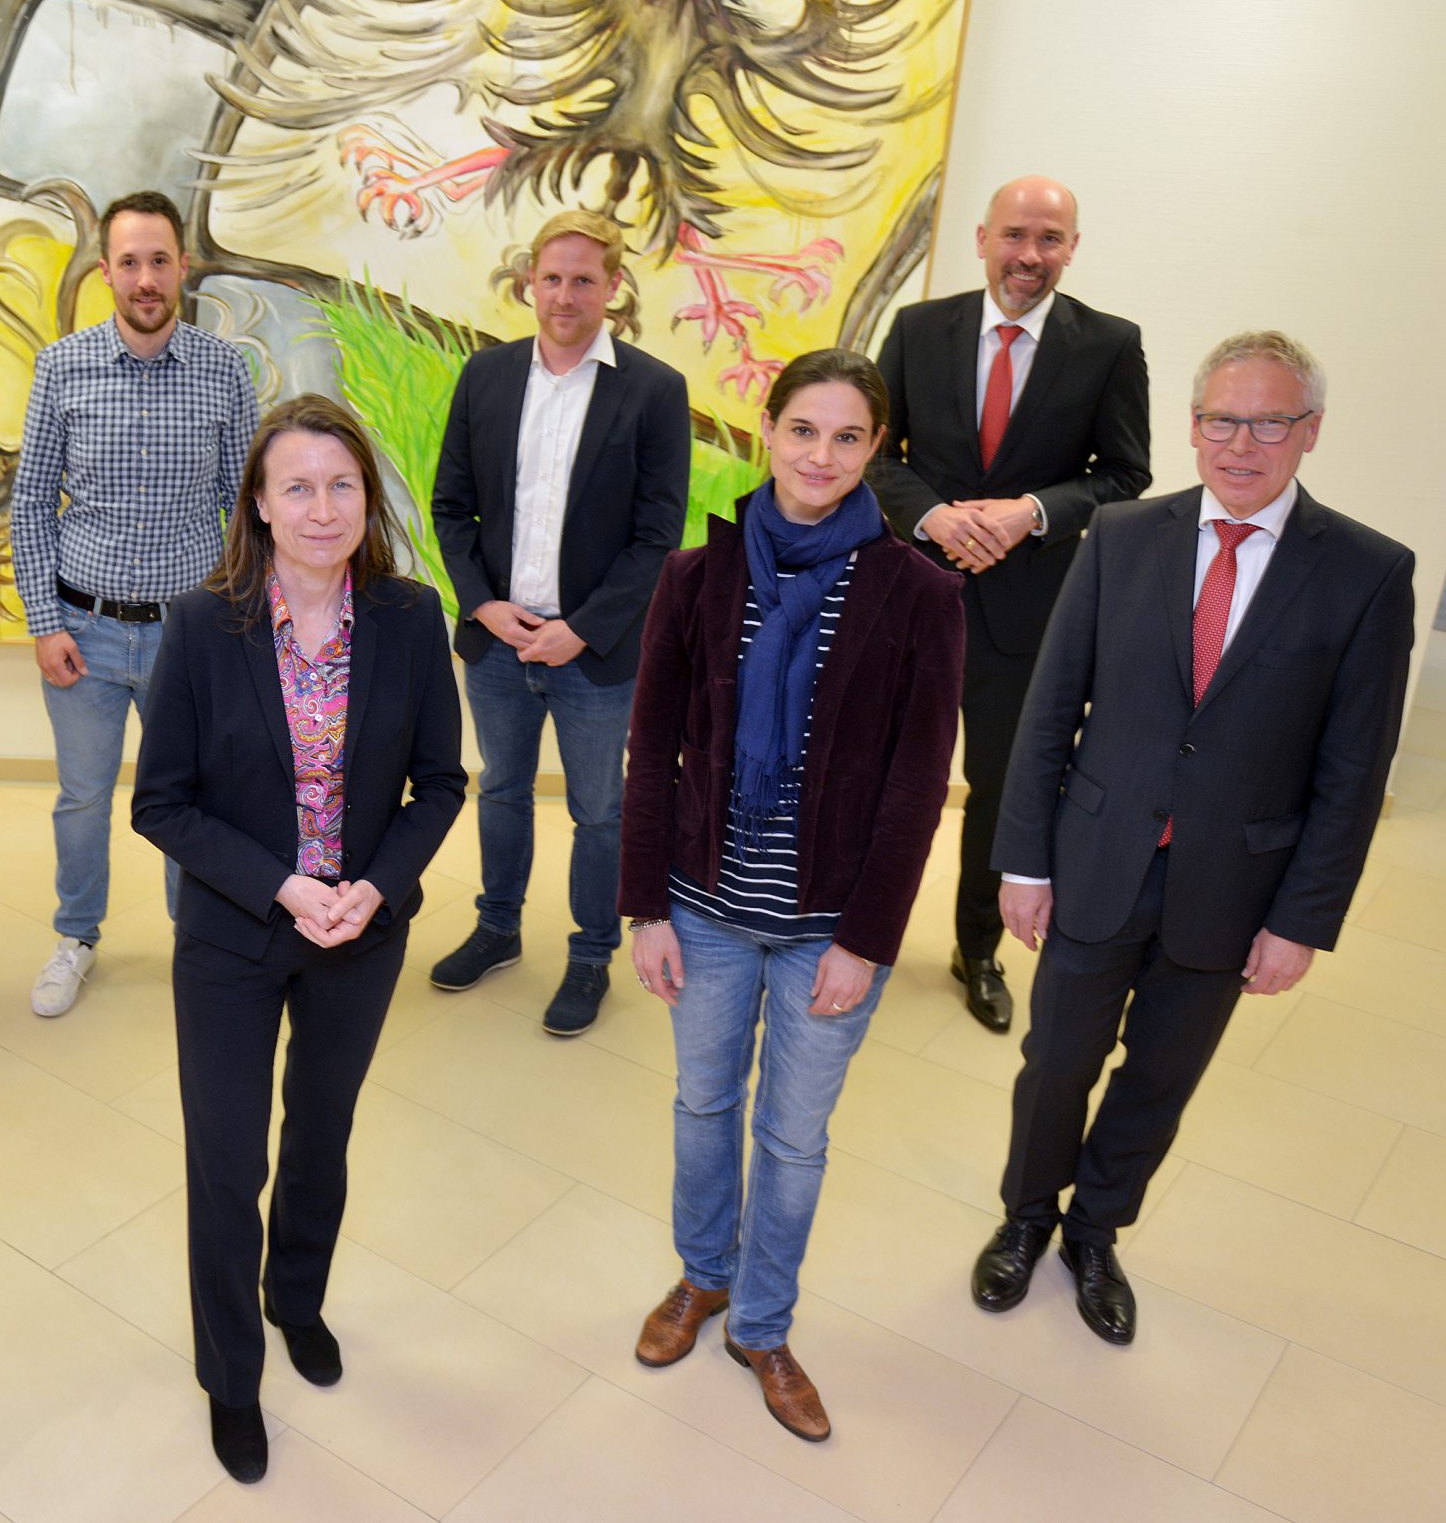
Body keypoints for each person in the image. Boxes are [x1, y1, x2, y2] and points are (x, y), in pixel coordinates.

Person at [973, 332, 1412, 1348]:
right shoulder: (1121, 536)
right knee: (1055, 1061)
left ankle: (1095, 1232)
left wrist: (1301, 921)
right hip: (1095, 860)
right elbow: (1049, 711)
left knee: (1160, 1077)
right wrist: (1024, 860)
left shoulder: (1366, 571)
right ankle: (1026, 1218)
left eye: (1269, 422)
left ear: (1310, 431)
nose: (1241, 444)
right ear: (1192, 425)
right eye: (1222, 420)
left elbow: (1353, 773)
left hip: (1231, 885)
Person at [621, 349, 964, 1443]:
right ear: (766, 430)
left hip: (829, 927)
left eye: (847, 436)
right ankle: (702, 1275)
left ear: (876, 449)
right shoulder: (695, 577)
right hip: (705, 908)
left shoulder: (920, 594)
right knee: (703, 1107)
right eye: (803, 429)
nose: (821, 455)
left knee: (794, 1139)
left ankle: (762, 1325)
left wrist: (868, 938)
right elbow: (652, 748)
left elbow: (917, 783)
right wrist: (645, 908)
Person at [130, 394, 465, 1483]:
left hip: (360, 935)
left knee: (322, 1133)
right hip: (232, 936)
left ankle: (297, 1299)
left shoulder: (410, 619)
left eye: (341, 485)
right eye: (297, 487)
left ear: (367, 496)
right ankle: (231, 1377)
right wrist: (281, 887)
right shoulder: (201, 624)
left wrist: (374, 888)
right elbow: (161, 803)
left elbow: (440, 782)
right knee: (228, 1162)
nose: (323, 509)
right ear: (261, 505)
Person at [870, 176, 1152, 1032]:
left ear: (1072, 248)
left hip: (1029, 618)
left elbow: (1125, 474)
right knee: (883, 776)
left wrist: (1030, 513)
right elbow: (875, 450)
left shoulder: (1109, 344)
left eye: (1050, 239)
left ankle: (977, 948)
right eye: (1016, 235)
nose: (1030, 255)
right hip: (912, 602)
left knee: (1004, 791)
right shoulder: (919, 328)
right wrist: (933, 515)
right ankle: (856, 931)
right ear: (983, 238)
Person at [429, 208, 691, 1034]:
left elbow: (658, 534)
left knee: (600, 809)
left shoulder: (654, 390)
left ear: (614, 287)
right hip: (498, 642)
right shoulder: (486, 375)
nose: (565, 295)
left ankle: (591, 954)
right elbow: (451, 507)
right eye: (552, 278)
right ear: (528, 284)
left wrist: (582, 627)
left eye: (584, 279)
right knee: (502, 788)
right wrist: (482, 603)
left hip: (594, 651)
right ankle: (498, 927)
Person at [11, 189, 259, 1016]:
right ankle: (75, 935)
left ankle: (199, 940)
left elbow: (245, 506)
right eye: (129, 262)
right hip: (82, 630)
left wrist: (240, 624)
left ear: (183, 266)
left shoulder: (225, 369)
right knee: (83, 798)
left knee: (193, 801)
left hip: (191, 636)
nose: (145, 278)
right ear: (105, 271)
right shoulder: (62, 365)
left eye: (159, 260)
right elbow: (30, 503)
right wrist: (44, 623)